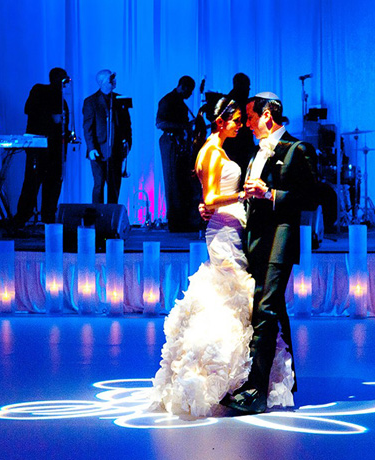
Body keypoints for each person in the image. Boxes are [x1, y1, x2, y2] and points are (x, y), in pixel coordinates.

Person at [150, 98, 295, 417]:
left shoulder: (218, 150)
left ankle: (244, 375)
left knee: (234, 295)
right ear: (220, 121)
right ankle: (226, 373)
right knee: (231, 296)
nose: (241, 123)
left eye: (245, 118)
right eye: (236, 120)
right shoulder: (211, 152)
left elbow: (209, 200)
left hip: (229, 227)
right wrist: (244, 192)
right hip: (224, 231)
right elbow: (211, 197)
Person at [222, 92, 318, 414]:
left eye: (250, 117)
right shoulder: (255, 153)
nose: (247, 123)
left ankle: (256, 390)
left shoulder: (298, 149)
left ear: (267, 115)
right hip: (257, 240)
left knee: (265, 308)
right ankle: (287, 379)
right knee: (273, 308)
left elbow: (311, 196)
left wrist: (271, 193)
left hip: (280, 239)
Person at [13, 68, 70, 227]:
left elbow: (63, 124)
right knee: (32, 181)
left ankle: (48, 217)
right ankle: (23, 216)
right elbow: (29, 109)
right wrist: (50, 117)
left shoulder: (62, 99)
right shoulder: (39, 90)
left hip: (56, 149)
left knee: (53, 184)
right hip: (39, 148)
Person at [157, 75, 202, 232]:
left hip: (178, 145)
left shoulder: (178, 102)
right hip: (170, 144)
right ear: (183, 86)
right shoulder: (168, 100)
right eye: (189, 91)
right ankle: (175, 222)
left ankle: (181, 221)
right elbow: (160, 123)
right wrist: (183, 126)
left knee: (180, 183)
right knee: (173, 182)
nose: (190, 95)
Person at [83, 69, 132, 204]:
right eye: (111, 79)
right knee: (99, 185)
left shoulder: (120, 99)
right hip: (98, 150)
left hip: (116, 150)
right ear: (102, 82)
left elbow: (127, 125)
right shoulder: (90, 101)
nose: (114, 81)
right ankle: (96, 217)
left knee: (114, 186)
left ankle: (111, 218)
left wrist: (128, 143)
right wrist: (91, 148)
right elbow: (88, 127)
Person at [223, 73, 256, 181]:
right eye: (247, 86)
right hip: (237, 147)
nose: (249, 89)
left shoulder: (228, 100)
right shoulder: (236, 103)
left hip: (234, 146)